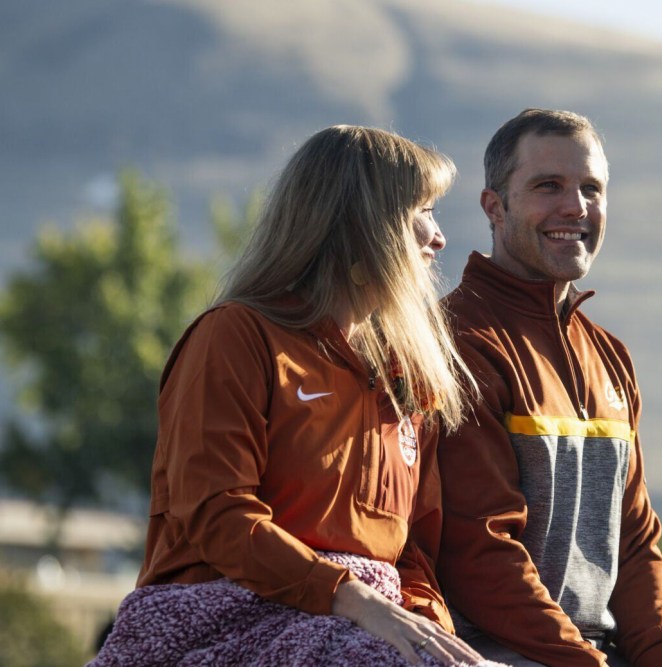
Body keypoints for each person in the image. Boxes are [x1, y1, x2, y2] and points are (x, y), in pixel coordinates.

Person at [89, 125, 501, 667]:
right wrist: (352, 599)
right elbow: (218, 516)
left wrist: (430, 634)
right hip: (223, 616)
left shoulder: (406, 375)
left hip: (363, 619)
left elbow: (413, 556)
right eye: (420, 212)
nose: (439, 237)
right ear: (361, 225)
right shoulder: (235, 336)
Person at [435, 109, 662, 667]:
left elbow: (634, 543)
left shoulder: (609, 356)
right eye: (548, 186)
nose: (576, 207)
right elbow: (480, 551)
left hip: (591, 653)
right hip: (494, 653)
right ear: (494, 207)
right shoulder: (457, 340)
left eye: (591, 189)